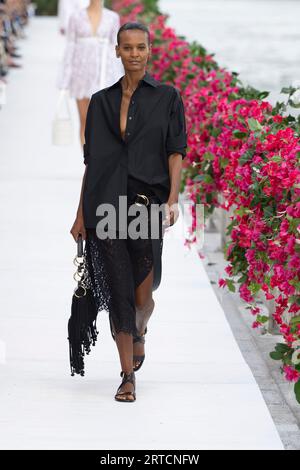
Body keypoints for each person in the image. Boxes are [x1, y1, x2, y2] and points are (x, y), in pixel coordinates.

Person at [70, 22, 187, 402]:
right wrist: (80, 215)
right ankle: (126, 376)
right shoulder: (101, 102)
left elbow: (175, 152)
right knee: (120, 293)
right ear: (116, 51)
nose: (134, 53)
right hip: (105, 206)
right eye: (127, 47)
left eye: (141, 47)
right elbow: (94, 163)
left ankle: (139, 329)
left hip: (146, 206)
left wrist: (172, 199)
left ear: (150, 50)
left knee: (143, 294)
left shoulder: (167, 98)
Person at [57, 0, 124, 146]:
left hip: (104, 75)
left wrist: (120, 79)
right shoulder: (75, 17)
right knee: (84, 121)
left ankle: (99, 162)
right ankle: (89, 165)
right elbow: (70, 47)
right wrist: (65, 78)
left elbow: (116, 49)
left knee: (103, 123)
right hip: (80, 75)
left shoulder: (113, 17)